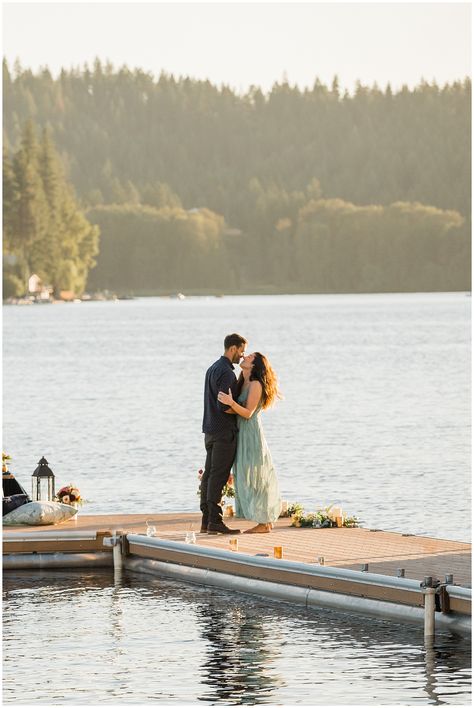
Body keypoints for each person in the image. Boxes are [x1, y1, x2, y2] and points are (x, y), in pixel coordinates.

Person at [217, 352, 281, 533]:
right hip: (240, 432)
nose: (245, 355)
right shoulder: (241, 381)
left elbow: (247, 413)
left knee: (256, 474)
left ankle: (265, 522)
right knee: (244, 474)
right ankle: (263, 520)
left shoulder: (256, 384)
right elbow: (235, 410)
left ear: (255, 365)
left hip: (251, 433)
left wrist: (230, 402)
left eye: (250, 356)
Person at [201, 333, 247, 534]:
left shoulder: (212, 368)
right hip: (223, 431)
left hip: (210, 430)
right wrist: (239, 410)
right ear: (233, 348)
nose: (242, 355)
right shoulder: (227, 373)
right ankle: (215, 521)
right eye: (241, 350)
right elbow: (224, 405)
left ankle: (206, 520)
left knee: (209, 475)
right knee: (218, 477)